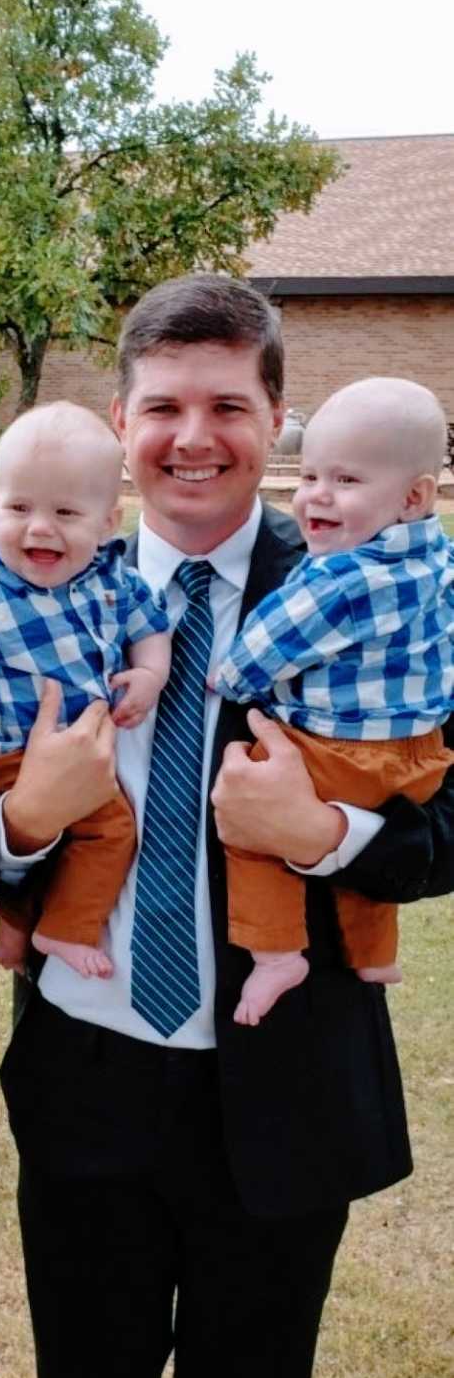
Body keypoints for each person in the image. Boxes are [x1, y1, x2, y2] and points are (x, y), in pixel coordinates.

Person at [0, 275, 454, 1378]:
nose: (194, 435)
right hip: (90, 1086)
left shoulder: (372, 584)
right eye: (164, 406)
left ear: (275, 423)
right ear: (122, 423)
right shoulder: (34, 578)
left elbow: (448, 820)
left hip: (283, 1092)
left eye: (229, 403)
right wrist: (28, 826)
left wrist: (324, 839)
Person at [214, 376, 453, 1024]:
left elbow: (265, 645)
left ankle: (276, 952)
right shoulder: (438, 561)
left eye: (345, 481)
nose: (317, 494)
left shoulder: (333, 576)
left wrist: (329, 834)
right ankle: (375, 951)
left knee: (252, 831)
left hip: (335, 752)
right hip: (419, 752)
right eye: (312, 475)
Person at [0, 400, 171, 979]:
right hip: (8, 758)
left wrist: (150, 674)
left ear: (108, 521)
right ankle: (63, 931)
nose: (39, 527)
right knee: (109, 829)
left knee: (73, 837)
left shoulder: (111, 579)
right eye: (19, 506)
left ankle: (15, 929)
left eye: (66, 512)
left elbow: (150, 627)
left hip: (75, 750)